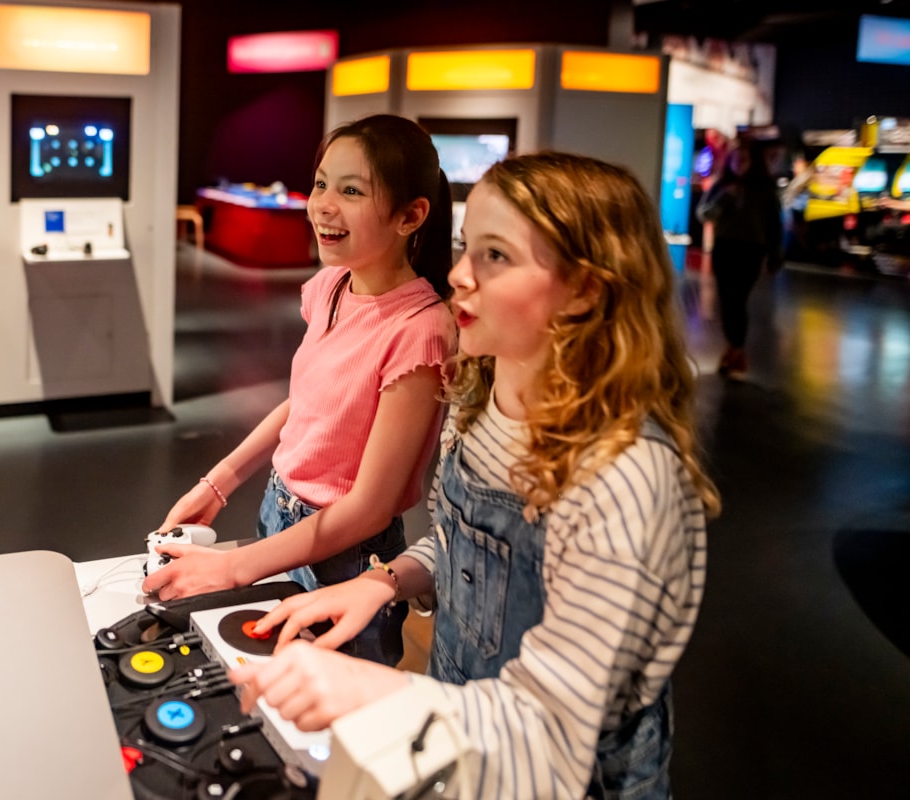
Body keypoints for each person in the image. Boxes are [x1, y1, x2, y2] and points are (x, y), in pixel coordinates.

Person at [229, 152, 721, 799]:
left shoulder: (626, 483)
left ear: (585, 289)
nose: (459, 275)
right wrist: (386, 581)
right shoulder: (481, 400)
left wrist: (374, 687)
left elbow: (551, 733)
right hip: (461, 734)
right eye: (467, 248)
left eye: (496, 256)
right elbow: (475, 542)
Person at [143, 114, 457, 666]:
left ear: (411, 215)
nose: (323, 205)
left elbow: (368, 509)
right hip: (280, 513)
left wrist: (235, 567)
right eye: (320, 184)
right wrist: (217, 485)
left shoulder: (419, 330)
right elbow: (308, 400)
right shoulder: (332, 286)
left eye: (352, 191)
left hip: (349, 554)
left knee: (340, 705)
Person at [697, 136, 784, 379]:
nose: (739, 163)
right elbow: (704, 215)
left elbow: (774, 225)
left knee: (738, 299)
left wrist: (775, 255)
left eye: (744, 159)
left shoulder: (765, 191)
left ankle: (735, 348)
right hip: (725, 248)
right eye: (736, 158)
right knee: (727, 300)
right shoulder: (721, 185)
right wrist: (724, 199)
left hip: (751, 250)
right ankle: (734, 349)